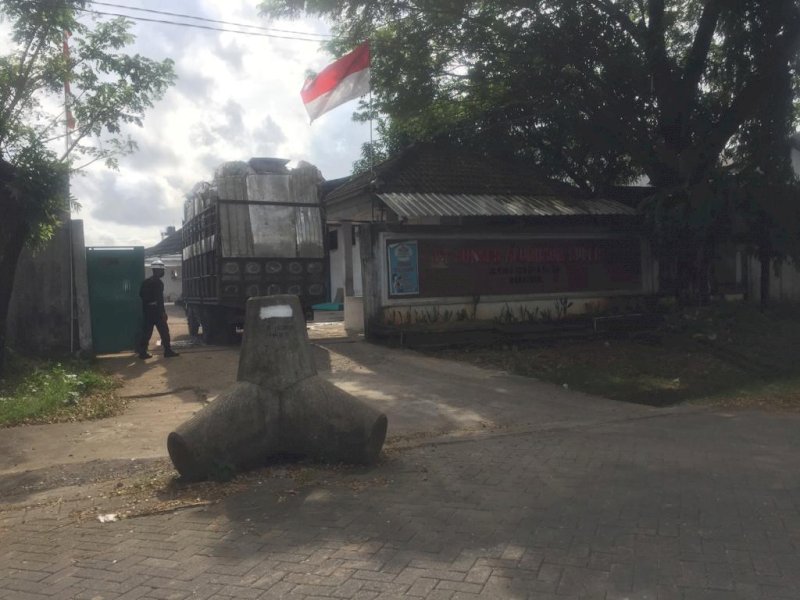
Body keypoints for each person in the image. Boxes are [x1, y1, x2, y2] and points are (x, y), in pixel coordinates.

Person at [137, 259, 179, 359]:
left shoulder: (145, 282)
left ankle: (142, 352)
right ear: (157, 271)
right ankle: (167, 351)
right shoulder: (159, 283)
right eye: (162, 271)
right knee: (164, 331)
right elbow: (159, 299)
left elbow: (141, 295)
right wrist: (163, 313)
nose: (163, 272)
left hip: (147, 311)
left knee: (146, 332)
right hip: (157, 312)